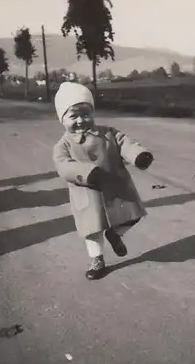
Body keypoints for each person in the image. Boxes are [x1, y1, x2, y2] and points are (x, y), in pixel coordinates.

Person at [53, 82, 154, 280]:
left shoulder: (108, 133)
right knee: (93, 229)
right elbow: (64, 165)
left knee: (133, 214)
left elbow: (125, 142)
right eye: (73, 116)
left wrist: (138, 155)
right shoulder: (62, 145)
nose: (81, 120)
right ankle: (96, 260)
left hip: (116, 186)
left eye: (86, 114)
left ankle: (116, 233)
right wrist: (84, 173)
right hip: (88, 192)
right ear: (62, 119)